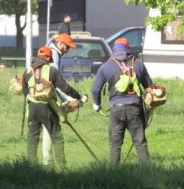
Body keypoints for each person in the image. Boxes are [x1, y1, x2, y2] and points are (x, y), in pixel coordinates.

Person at [91, 38, 153, 166]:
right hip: (135, 109)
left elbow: (95, 89)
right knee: (139, 141)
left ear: (114, 49)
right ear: (128, 49)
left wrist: (97, 105)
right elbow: (149, 88)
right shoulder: (138, 64)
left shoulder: (106, 66)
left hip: (116, 109)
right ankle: (148, 170)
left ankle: (114, 173)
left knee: (115, 143)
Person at [22, 46, 83, 169]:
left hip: (33, 108)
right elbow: (65, 88)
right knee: (56, 137)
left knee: (32, 139)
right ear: (49, 58)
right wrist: (78, 96)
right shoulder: (52, 71)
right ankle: (62, 167)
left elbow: (24, 92)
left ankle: (30, 168)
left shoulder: (27, 71)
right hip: (48, 107)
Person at [38, 33, 77, 166]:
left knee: (47, 129)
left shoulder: (51, 52)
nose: (68, 50)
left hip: (40, 95)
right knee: (52, 130)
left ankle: (47, 162)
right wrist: (68, 98)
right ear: (61, 44)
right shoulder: (54, 54)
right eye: (68, 47)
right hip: (48, 96)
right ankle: (49, 163)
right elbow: (55, 82)